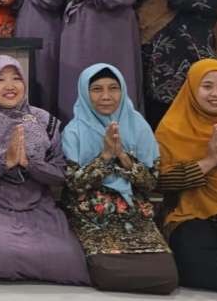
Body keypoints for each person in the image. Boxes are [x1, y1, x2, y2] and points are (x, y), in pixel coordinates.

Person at [0, 55, 90, 285]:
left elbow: (62, 174)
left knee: (69, 260)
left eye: (16, 78)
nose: (10, 86)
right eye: (0, 79)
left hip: (37, 203)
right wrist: (3, 163)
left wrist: (30, 164)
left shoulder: (44, 121)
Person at [61, 64, 178, 295]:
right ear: (85, 92)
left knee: (166, 278)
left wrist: (123, 156)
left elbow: (150, 182)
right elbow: (73, 185)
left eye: (113, 88)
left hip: (135, 212)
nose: (106, 96)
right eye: (96, 89)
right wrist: (104, 156)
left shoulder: (139, 126)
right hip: (91, 212)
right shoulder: (73, 131)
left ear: (123, 91)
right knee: (109, 274)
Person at [156, 59, 217, 296]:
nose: (216, 94)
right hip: (193, 220)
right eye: (207, 86)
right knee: (191, 255)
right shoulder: (172, 128)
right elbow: (159, 182)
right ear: (192, 88)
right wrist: (206, 163)